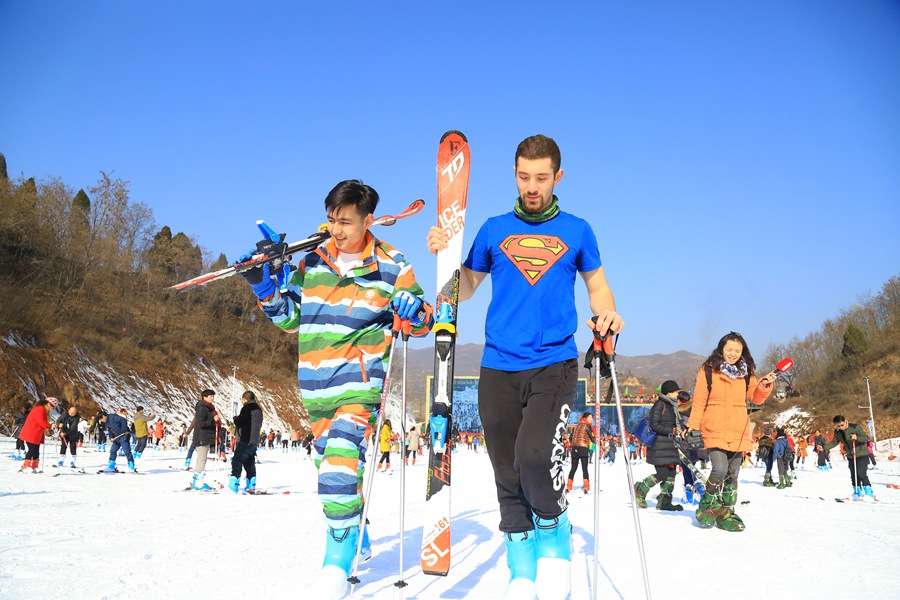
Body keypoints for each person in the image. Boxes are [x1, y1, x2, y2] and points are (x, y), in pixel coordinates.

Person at [426, 134, 624, 600]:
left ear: (558, 176)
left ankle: (553, 532)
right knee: (504, 466)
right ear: (514, 175)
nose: (531, 186)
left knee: (535, 455)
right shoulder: (494, 229)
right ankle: (520, 557)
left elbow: (597, 286)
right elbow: (468, 285)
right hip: (497, 363)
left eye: (540, 177)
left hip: (553, 361)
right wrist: (446, 256)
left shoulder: (577, 230)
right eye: (523, 176)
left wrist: (608, 312)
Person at [238, 179, 433, 598]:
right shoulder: (313, 262)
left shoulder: (392, 265)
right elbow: (289, 316)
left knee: (339, 471)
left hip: (359, 388)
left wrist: (411, 308)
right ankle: (356, 529)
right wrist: (263, 286)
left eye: (345, 221)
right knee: (333, 469)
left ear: (367, 220)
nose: (337, 229)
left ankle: (335, 566)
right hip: (315, 389)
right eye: (331, 220)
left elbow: (423, 323)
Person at [684, 332, 776, 532]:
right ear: (721, 349)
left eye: (737, 350)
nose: (733, 353)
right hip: (714, 424)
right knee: (719, 469)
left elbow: (756, 398)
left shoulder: (747, 372)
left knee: (734, 473)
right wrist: (693, 425)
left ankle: (726, 512)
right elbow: (699, 400)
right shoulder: (708, 370)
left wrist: (764, 386)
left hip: (738, 426)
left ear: (743, 351)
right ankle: (707, 505)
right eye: (729, 349)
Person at [634, 381, 685, 511]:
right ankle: (641, 489)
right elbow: (654, 425)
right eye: (676, 392)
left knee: (671, 475)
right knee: (662, 474)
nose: (678, 394)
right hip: (659, 446)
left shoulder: (672, 406)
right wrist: (672, 430)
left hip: (671, 445)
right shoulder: (660, 404)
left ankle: (665, 501)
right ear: (669, 393)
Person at [822, 415, 873, 500]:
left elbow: (866, 438)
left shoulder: (855, 427)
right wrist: (824, 447)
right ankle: (857, 493)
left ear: (845, 421)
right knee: (853, 475)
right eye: (838, 426)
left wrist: (856, 437)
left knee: (861, 473)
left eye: (842, 425)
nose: (841, 427)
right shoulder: (837, 432)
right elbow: (834, 442)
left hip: (861, 454)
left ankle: (869, 493)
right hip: (850, 455)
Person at [229, 390, 264, 493]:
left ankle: (233, 484)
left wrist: (235, 419)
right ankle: (251, 483)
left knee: (237, 461)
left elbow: (240, 421)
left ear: (244, 399)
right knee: (249, 462)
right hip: (254, 440)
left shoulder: (247, 408)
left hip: (245, 438)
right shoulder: (259, 409)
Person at [188, 389, 219, 490]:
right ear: (204, 397)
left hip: (205, 436)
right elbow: (201, 423)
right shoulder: (202, 407)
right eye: (210, 396)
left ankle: (196, 481)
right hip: (201, 437)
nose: (212, 398)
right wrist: (213, 420)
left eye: (213, 396)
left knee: (201, 460)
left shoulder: (208, 408)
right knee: (202, 460)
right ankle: (198, 483)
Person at [18, 397, 57, 473]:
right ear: (48, 404)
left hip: (37, 433)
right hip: (32, 432)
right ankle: (26, 466)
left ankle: (35, 465)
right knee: (32, 449)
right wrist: (50, 426)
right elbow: (40, 420)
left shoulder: (43, 409)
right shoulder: (40, 408)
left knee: (36, 450)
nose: (52, 408)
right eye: (52, 406)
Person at [566, 413, 595, 494]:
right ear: (586, 418)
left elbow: (571, 437)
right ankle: (586, 487)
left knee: (573, 468)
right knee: (584, 468)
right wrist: (597, 441)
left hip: (574, 448)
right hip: (583, 448)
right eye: (590, 417)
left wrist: (574, 444)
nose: (591, 419)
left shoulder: (576, 426)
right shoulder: (587, 426)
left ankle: (569, 486)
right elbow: (592, 437)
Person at [103, 408, 136, 473]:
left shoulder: (112, 417)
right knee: (113, 450)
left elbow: (123, 420)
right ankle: (111, 466)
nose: (102, 421)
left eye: (101, 419)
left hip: (124, 436)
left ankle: (131, 466)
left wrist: (124, 430)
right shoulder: (107, 422)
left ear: (104, 416)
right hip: (116, 437)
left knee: (127, 451)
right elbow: (110, 430)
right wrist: (111, 437)